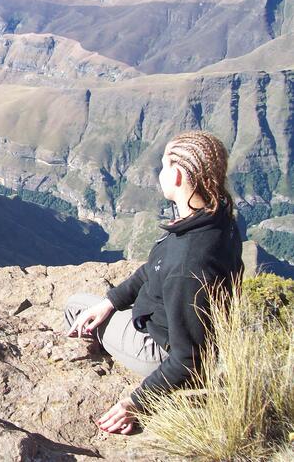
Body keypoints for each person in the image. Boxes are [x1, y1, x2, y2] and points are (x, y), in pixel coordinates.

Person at [65, 130, 243, 435]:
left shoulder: (187, 262)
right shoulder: (216, 218)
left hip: (160, 352)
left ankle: (110, 352)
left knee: (76, 305)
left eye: (163, 166)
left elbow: (188, 359)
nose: (159, 172)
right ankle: (109, 330)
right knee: (94, 306)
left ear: (177, 176)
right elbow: (153, 269)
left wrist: (134, 402)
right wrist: (110, 302)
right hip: (186, 333)